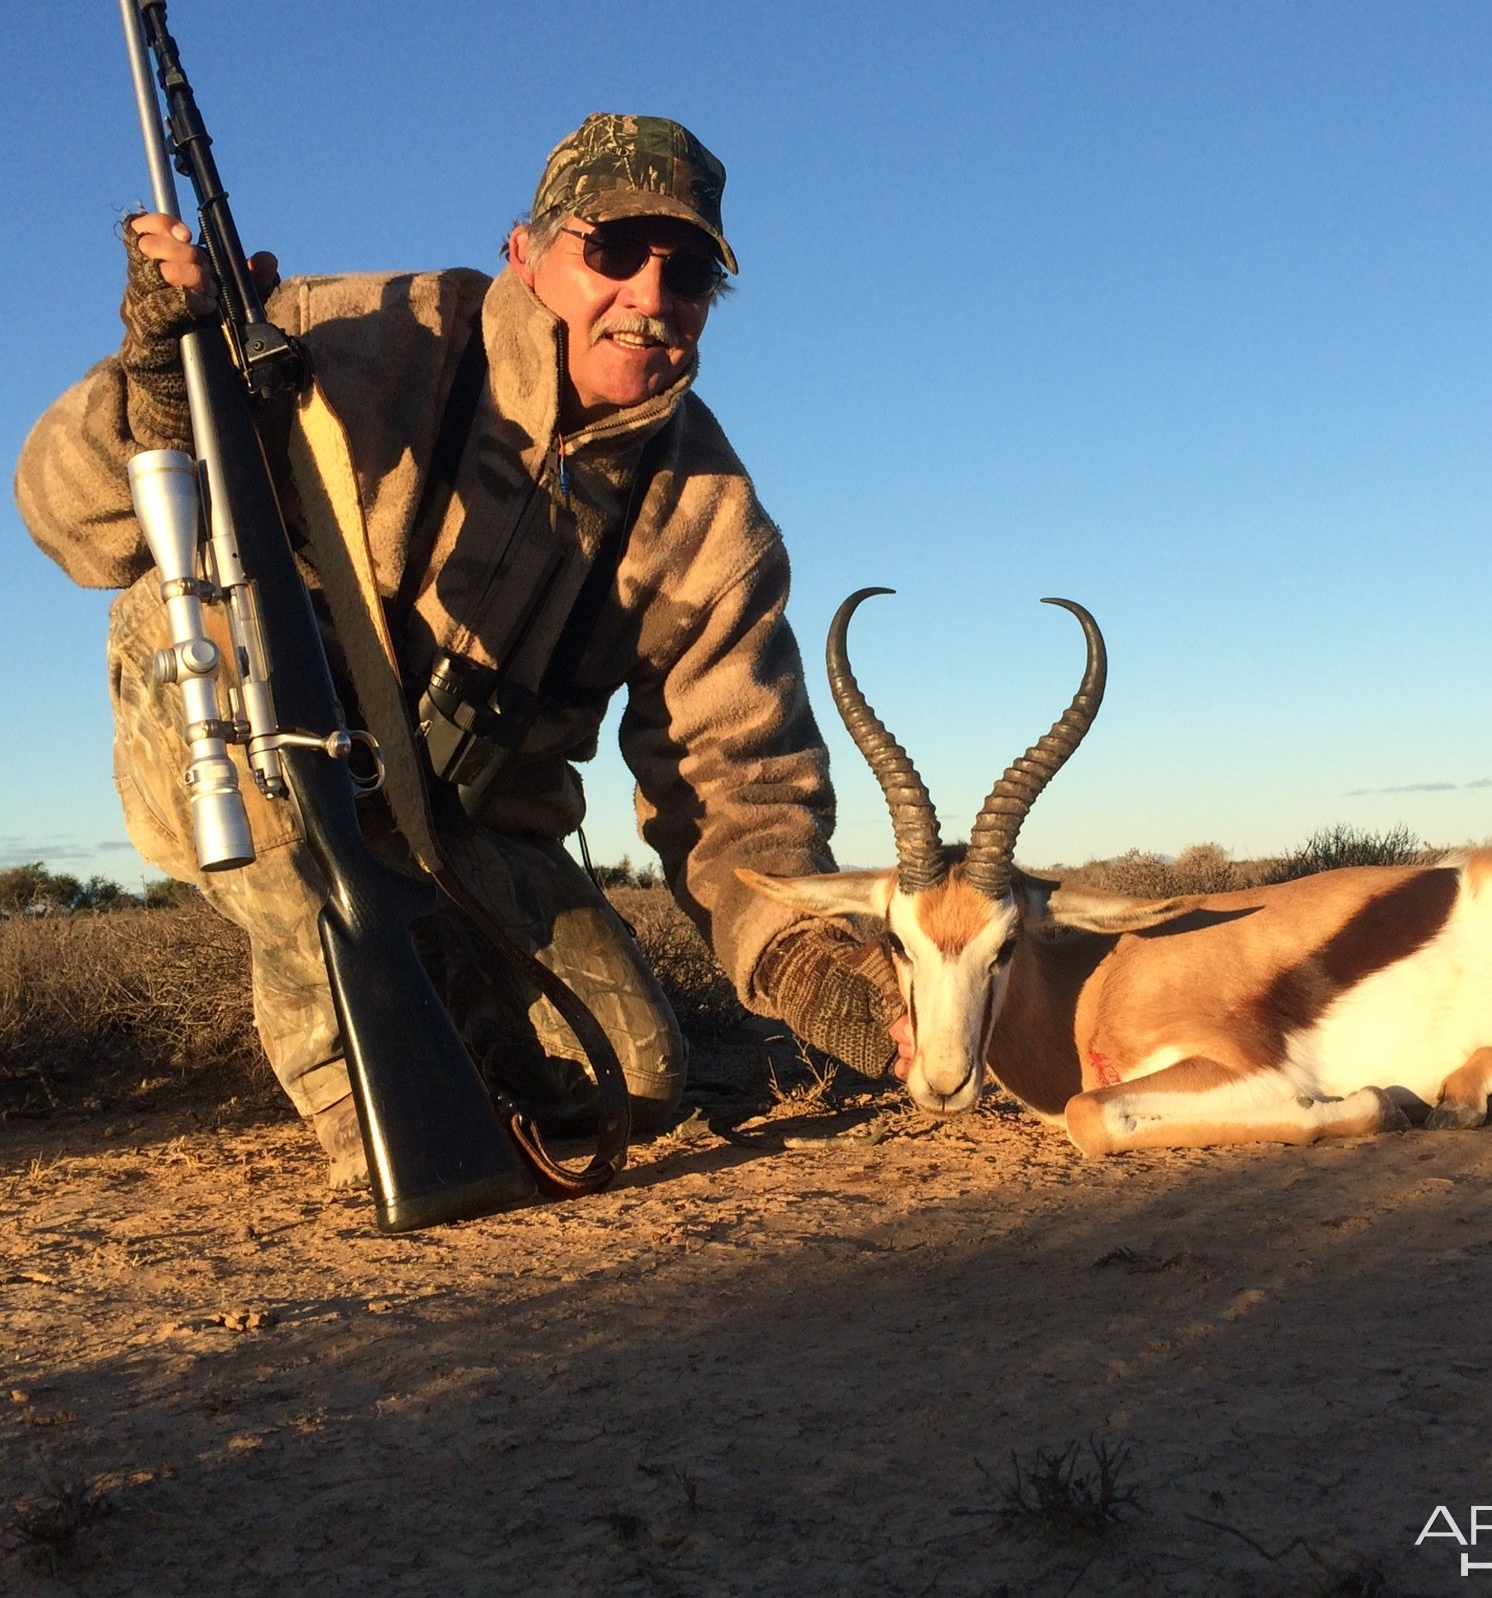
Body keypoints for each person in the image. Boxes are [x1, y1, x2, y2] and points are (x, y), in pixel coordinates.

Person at [17, 113, 905, 1187]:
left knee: (638, 1074)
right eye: (613, 251)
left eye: (687, 275)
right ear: (525, 253)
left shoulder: (712, 522)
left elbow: (738, 789)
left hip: (468, 836)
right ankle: (362, 1101)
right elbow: (70, 526)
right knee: (183, 605)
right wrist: (157, 390)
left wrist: (820, 968)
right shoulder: (337, 336)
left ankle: (427, 998)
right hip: (270, 767)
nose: (650, 298)